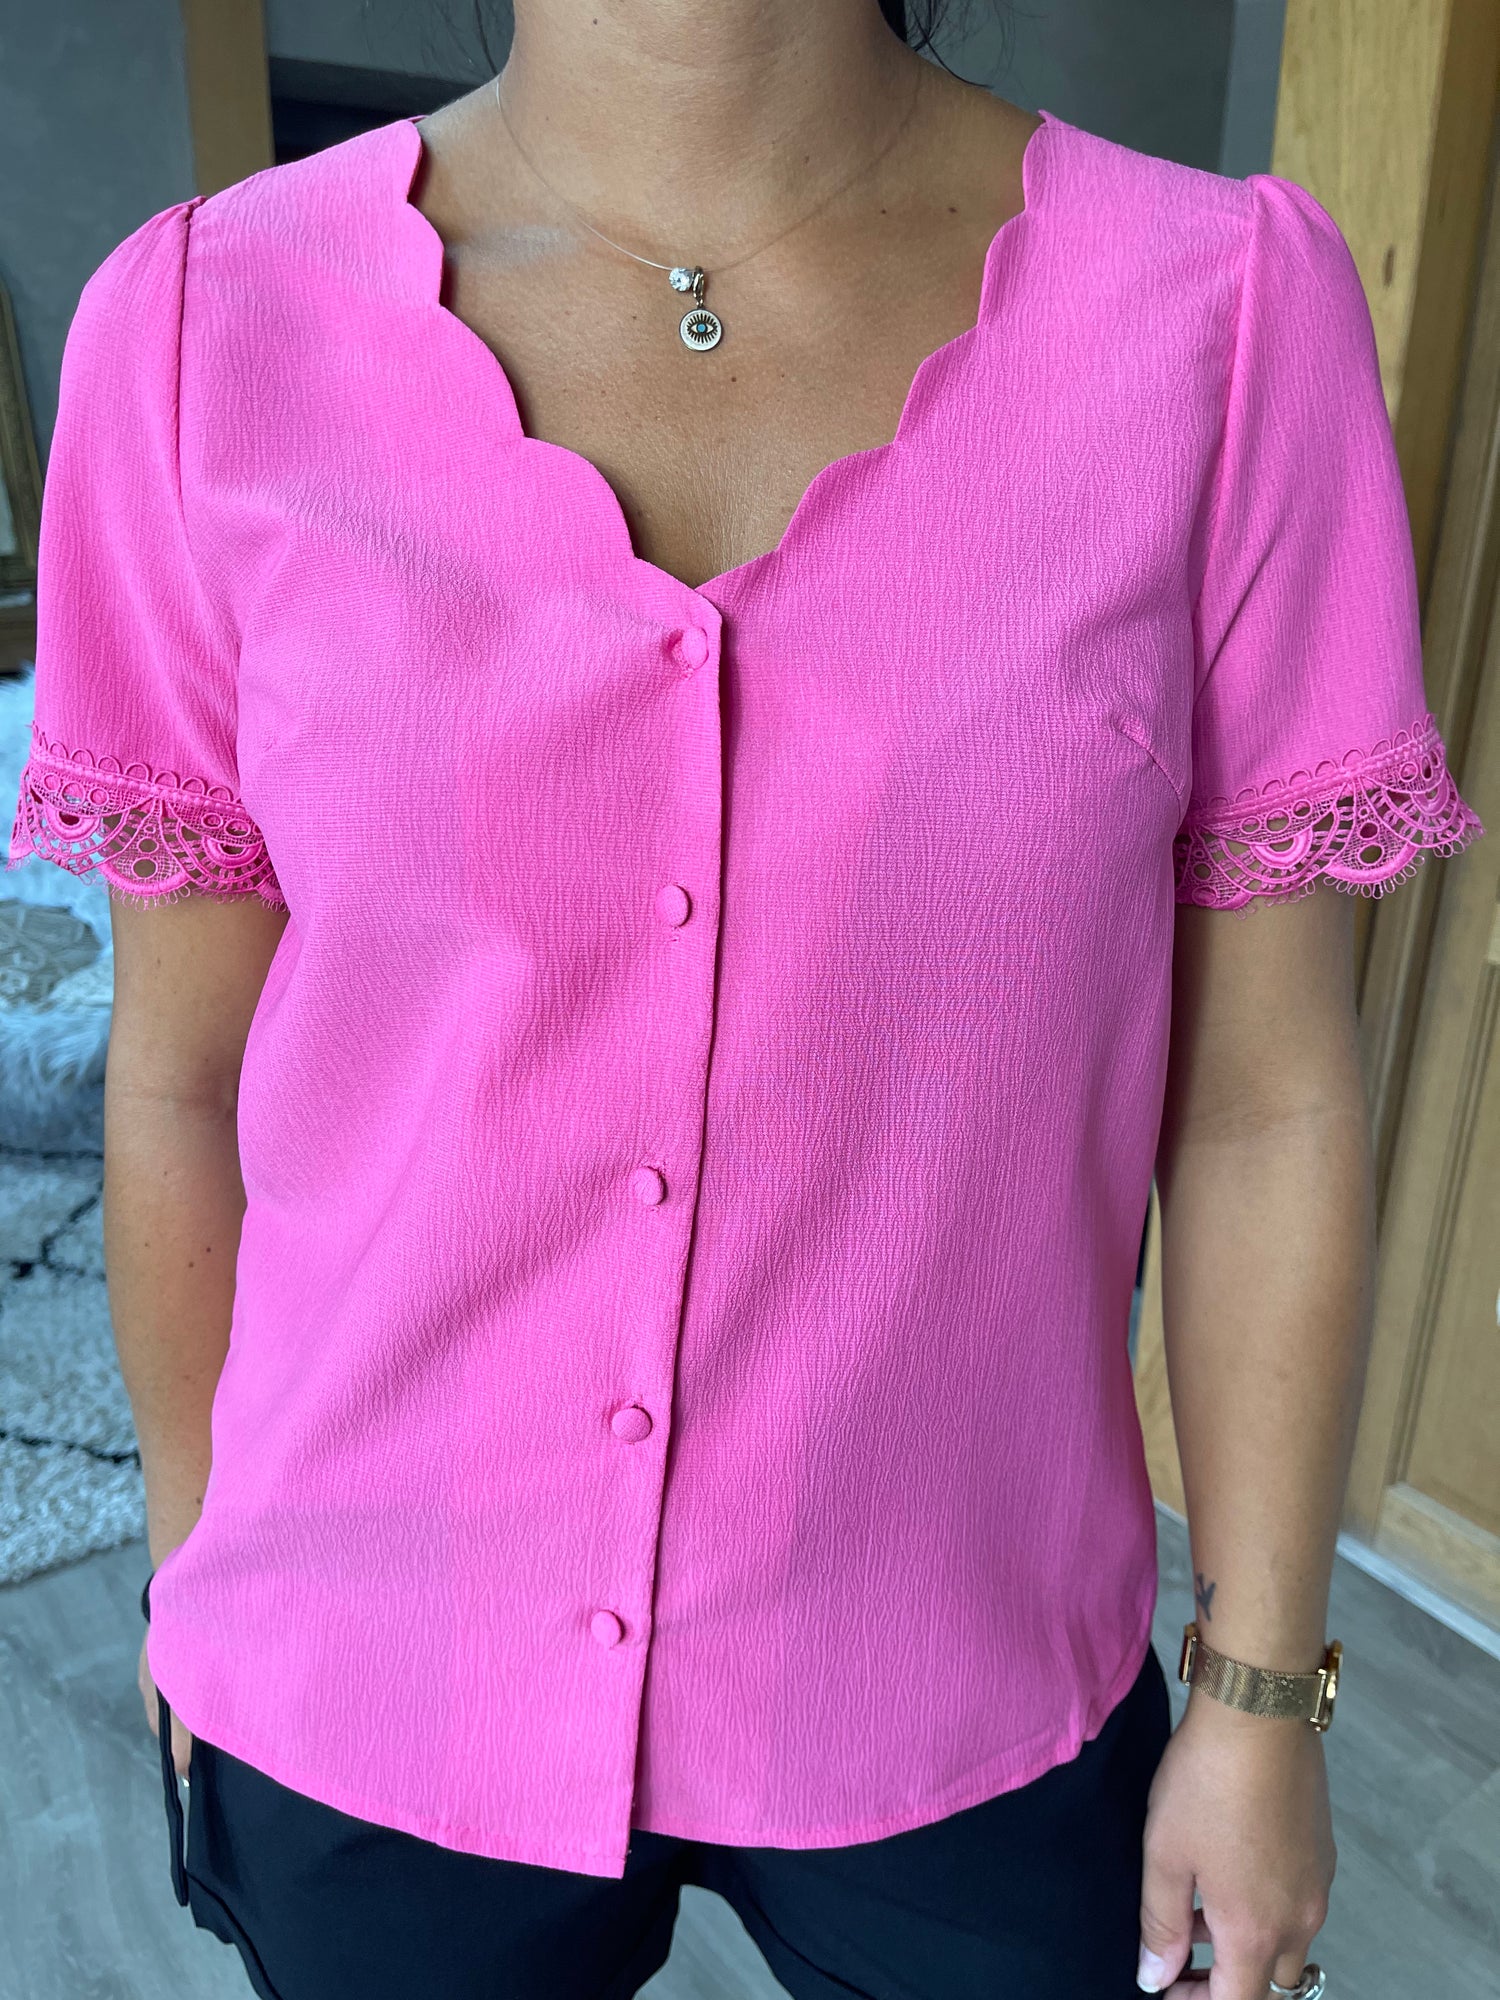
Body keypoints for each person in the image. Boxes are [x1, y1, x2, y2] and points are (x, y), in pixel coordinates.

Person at [8, 2, 1483, 1996]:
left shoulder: (1221, 322)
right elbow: (184, 1076)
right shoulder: (201, 331)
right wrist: (199, 1578)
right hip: (366, 1653)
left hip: (959, 1668)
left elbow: (1265, 1102)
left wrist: (1263, 1688)